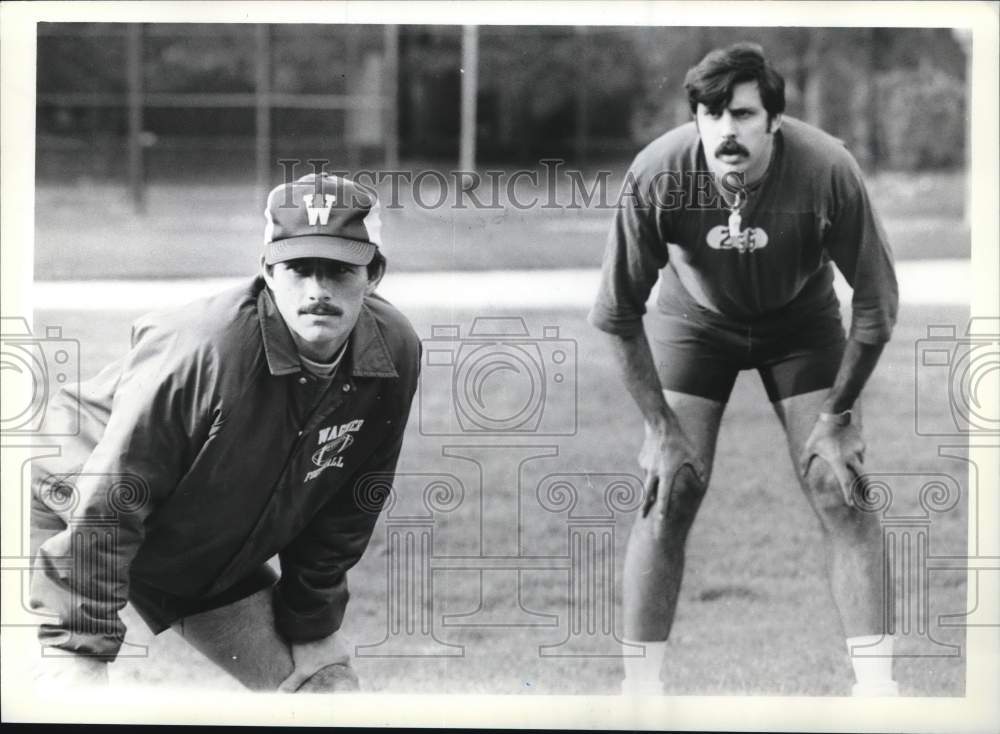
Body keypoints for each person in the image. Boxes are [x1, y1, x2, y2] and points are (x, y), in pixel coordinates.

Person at [29, 172, 421, 692]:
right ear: (267, 271)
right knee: (65, 697)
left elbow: (347, 506)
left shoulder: (392, 352)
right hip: (68, 503)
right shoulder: (208, 350)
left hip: (191, 546)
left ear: (374, 274)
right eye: (299, 268)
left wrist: (312, 624)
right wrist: (80, 646)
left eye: (340, 270)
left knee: (324, 693)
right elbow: (112, 497)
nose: (318, 290)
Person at [589, 43, 899, 696]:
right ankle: (639, 695)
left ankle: (878, 695)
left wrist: (839, 416)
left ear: (775, 120)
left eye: (743, 113)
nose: (726, 129)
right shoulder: (659, 173)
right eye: (711, 114)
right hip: (697, 324)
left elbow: (876, 306)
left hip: (800, 323)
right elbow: (616, 313)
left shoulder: (827, 169)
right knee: (670, 487)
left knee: (839, 485)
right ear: (695, 118)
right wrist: (660, 428)